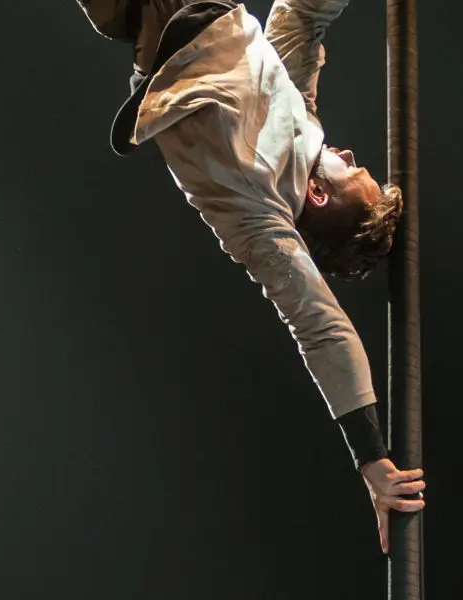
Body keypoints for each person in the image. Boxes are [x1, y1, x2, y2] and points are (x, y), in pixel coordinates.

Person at [76, 0, 424, 554]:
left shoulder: (260, 218)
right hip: (153, 24)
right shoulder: (300, 120)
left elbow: (322, 327)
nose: (352, 152)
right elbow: (300, 19)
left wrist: (373, 460)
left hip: (169, 24)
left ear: (318, 194)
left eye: (353, 169)